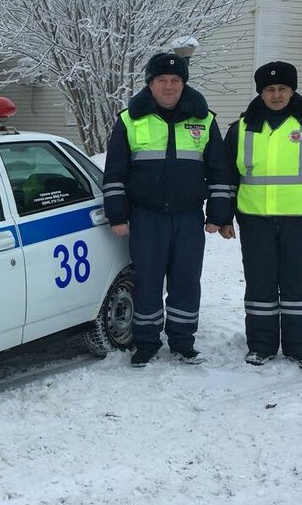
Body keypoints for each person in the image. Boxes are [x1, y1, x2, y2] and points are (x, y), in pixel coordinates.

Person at [102, 52, 232, 367]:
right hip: (146, 216)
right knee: (147, 280)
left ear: (183, 84)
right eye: (162, 80)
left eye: (175, 80)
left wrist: (218, 215)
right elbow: (115, 173)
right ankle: (146, 342)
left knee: (186, 280)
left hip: (188, 216)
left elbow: (219, 173)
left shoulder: (204, 120)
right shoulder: (129, 120)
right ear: (151, 83)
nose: (169, 86)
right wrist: (117, 215)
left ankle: (183, 342)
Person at [220, 61, 302, 370]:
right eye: (270, 89)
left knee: (298, 285)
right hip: (254, 219)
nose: (276, 95)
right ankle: (261, 346)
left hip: (301, 219)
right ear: (261, 93)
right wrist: (223, 217)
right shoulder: (241, 128)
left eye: (282, 89)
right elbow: (225, 177)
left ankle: (300, 346)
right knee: (259, 284)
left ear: (292, 90)